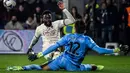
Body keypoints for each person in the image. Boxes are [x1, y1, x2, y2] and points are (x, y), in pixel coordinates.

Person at [7, 19, 120, 71]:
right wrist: (116, 50)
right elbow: (100, 51)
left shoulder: (68, 36)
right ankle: (96, 67)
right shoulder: (87, 39)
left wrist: (39, 55)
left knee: (42, 67)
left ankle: (21, 68)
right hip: (73, 66)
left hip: (61, 60)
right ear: (85, 29)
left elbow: (54, 47)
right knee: (89, 67)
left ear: (75, 28)